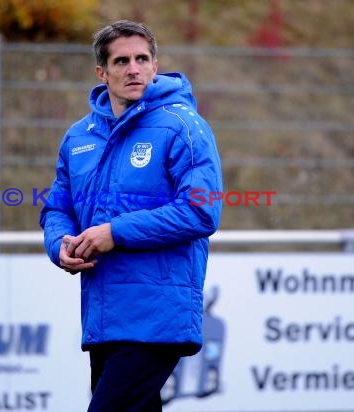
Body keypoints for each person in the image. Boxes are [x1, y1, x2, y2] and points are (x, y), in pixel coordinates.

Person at [39, 20, 222, 412]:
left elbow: (201, 211)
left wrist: (114, 232)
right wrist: (61, 245)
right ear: (102, 72)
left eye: (142, 59)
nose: (133, 68)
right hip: (104, 315)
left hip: (157, 314)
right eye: (122, 61)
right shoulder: (79, 137)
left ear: (156, 67)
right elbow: (57, 207)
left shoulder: (184, 128)